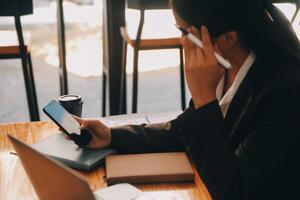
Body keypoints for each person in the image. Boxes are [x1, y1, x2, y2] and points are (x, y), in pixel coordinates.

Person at [68, 0, 300, 199]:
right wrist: (112, 135)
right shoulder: (225, 64)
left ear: (228, 38)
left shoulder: (284, 92)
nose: (182, 41)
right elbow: (185, 132)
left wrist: (204, 98)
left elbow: (233, 192)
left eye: (185, 31)